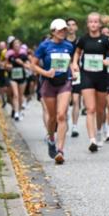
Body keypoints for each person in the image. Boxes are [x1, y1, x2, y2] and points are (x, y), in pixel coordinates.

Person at [31, 19, 76, 164]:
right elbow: (33, 65)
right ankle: (51, 139)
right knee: (51, 117)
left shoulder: (69, 46)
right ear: (53, 32)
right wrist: (45, 73)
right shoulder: (44, 46)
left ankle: (60, 150)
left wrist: (73, 70)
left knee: (61, 115)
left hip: (65, 82)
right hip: (49, 84)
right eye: (60, 30)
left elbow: (70, 62)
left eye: (64, 30)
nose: (62, 32)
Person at [71, 12, 109, 153]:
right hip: (87, 76)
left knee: (100, 109)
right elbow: (77, 53)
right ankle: (92, 140)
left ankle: (98, 131)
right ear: (87, 24)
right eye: (91, 22)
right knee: (90, 109)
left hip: (102, 77)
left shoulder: (105, 40)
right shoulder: (83, 39)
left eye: (96, 22)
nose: (93, 24)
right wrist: (74, 63)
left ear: (100, 24)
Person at [66, 18, 83, 138]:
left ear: (76, 27)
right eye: (69, 25)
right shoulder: (62, 41)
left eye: (73, 25)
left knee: (76, 100)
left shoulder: (80, 41)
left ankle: (75, 126)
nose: (71, 27)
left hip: (77, 73)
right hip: (64, 73)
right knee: (66, 101)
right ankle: (63, 121)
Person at [5, 38, 28, 121]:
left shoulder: (24, 55)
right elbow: (5, 65)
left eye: (18, 43)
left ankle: (20, 110)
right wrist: (8, 67)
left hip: (22, 77)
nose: (17, 45)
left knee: (21, 96)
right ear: (12, 46)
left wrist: (21, 63)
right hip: (12, 77)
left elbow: (28, 66)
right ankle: (16, 113)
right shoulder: (9, 54)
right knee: (15, 94)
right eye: (15, 44)